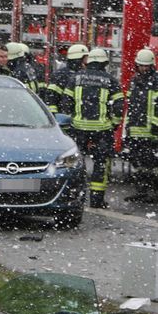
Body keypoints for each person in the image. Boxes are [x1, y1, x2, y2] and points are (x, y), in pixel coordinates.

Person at [62, 47, 124, 208]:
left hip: (78, 128)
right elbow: (119, 105)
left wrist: (72, 119)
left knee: (75, 163)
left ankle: (75, 196)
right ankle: (96, 200)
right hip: (102, 130)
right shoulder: (110, 80)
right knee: (101, 164)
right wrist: (114, 123)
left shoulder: (75, 78)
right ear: (104, 62)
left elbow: (66, 102)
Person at [122, 48, 158, 204]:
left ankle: (153, 193)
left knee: (153, 164)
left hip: (152, 131)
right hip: (136, 130)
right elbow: (131, 106)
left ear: (152, 65)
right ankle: (141, 192)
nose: (143, 68)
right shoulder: (134, 80)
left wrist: (156, 124)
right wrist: (129, 127)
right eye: (141, 66)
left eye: (146, 66)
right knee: (138, 164)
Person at [43, 43, 88, 114]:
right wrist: (56, 115)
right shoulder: (61, 75)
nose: (87, 61)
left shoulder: (83, 74)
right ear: (78, 59)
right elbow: (51, 97)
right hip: (65, 117)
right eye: (85, 58)